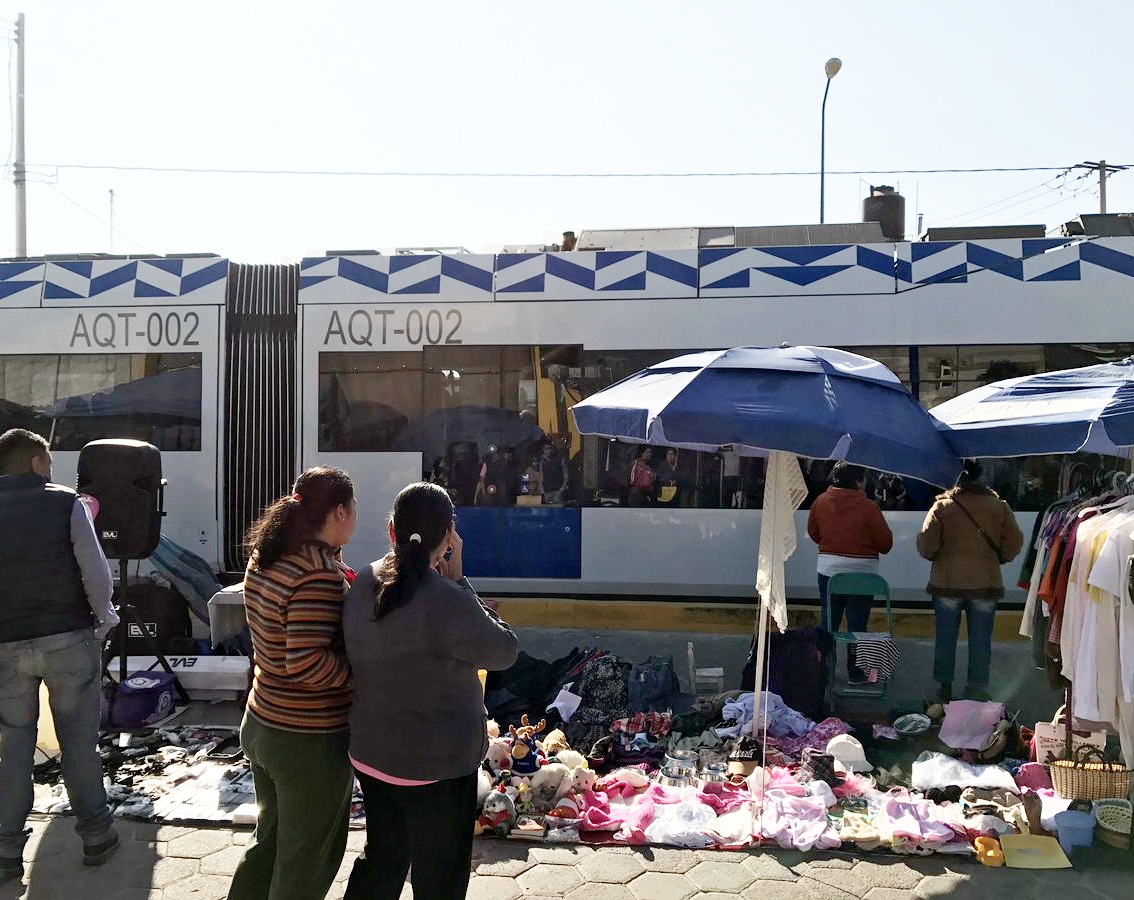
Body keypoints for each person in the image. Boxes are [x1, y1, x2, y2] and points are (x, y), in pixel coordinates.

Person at [343, 482, 519, 899]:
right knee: (439, 878)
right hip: (438, 770)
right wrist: (460, 582)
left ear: (391, 532)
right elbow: (505, 650)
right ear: (448, 540)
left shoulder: (364, 580)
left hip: (373, 758)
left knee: (384, 858)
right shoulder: (447, 599)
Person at [227, 467, 358, 900]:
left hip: (262, 721)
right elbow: (306, 664)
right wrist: (361, 675)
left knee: (270, 841)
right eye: (353, 509)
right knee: (305, 861)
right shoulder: (316, 573)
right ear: (340, 510)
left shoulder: (268, 554)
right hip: (306, 739)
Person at [0, 429, 120, 884]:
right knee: (77, 741)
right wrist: (103, 618)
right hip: (67, 638)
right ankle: (95, 836)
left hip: (6, 646)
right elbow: (95, 570)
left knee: (13, 746)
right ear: (35, 462)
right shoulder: (64, 501)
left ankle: (7, 850)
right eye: (48, 462)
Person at [917, 459, 1024, 702]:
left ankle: (944, 688)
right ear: (980, 478)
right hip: (985, 584)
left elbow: (925, 545)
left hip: (946, 585)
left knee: (945, 638)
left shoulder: (942, 507)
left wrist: (939, 556)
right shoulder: (998, 506)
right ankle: (976, 688)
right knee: (980, 641)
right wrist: (999, 558)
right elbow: (1015, 541)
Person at [806, 462, 894, 684]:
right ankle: (855, 674)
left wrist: (831, 546)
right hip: (863, 575)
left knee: (828, 621)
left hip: (828, 571)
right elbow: (885, 544)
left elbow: (813, 532)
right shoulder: (869, 508)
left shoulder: (820, 502)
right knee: (857, 625)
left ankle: (822, 671)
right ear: (857, 481)